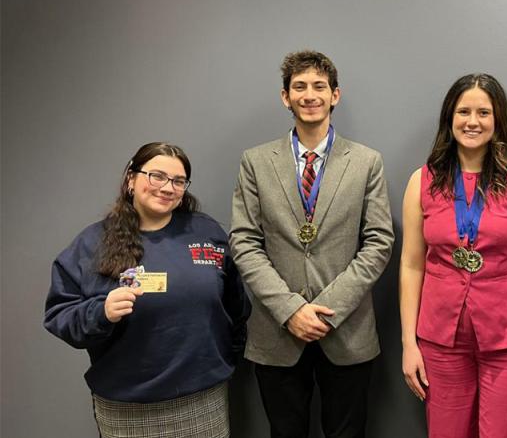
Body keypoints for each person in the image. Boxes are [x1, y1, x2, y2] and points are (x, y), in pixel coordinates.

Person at [230, 50, 394, 438]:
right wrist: (291, 310)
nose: (309, 94)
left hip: (347, 331)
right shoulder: (255, 161)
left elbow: (379, 242)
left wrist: (326, 311)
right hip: (277, 331)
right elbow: (244, 241)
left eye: (319, 86)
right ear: (285, 97)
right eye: (299, 86)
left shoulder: (367, 161)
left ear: (335, 95)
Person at [44, 142, 251, 438]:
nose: (168, 187)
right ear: (131, 178)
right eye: (157, 176)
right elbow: (59, 314)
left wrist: (224, 358)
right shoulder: (92, 243)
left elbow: (237, 304)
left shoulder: (206, 232)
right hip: (128, 407)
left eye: (178, 181)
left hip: (203, 399)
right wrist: (100, 312)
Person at [399, 73, 507, 438]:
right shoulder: (421, 181)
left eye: (483, 112)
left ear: (498, 119)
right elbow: (410, 266)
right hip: (440, 343)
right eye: (463, 111)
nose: (472, 121)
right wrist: (409, 344)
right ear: (449, 118)